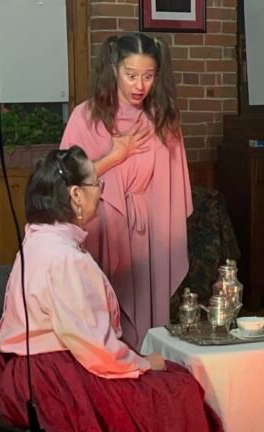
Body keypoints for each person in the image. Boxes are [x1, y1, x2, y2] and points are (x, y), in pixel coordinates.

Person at [0, 147, 222, 431]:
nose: (101, 190)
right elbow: (93, 348)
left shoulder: (40, 237)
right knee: (180, 387)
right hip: (52, 381)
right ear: (75, 194)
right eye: (97, 183)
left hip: (27, 372)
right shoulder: (64, 258)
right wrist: (144, 364)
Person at [60, 33, 192, 347]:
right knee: (103, 327)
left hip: (148, 238)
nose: (139, 86)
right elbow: (63, 180)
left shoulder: (163, 121)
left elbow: (173, 193)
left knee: (146, 332)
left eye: (148, 76)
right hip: (101, 232)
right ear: (113, 69)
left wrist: (163, 239)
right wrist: (113, 157)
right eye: (130, 75)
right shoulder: (85, 117)